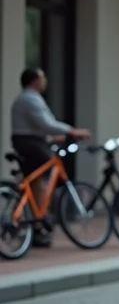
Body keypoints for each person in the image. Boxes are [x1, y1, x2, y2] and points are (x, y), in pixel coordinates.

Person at [10, 68, 91, 247]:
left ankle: (37, 222)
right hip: (31, 143)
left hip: (29, 141)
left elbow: (33, 126)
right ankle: (41, 216)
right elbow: (46, 123)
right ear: (33, 81)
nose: (45, 80)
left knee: (36, 178)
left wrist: (51, 137)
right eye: (42, 77)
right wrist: (72, 131)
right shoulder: (31, 99)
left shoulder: (25, 99)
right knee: (52, 169)